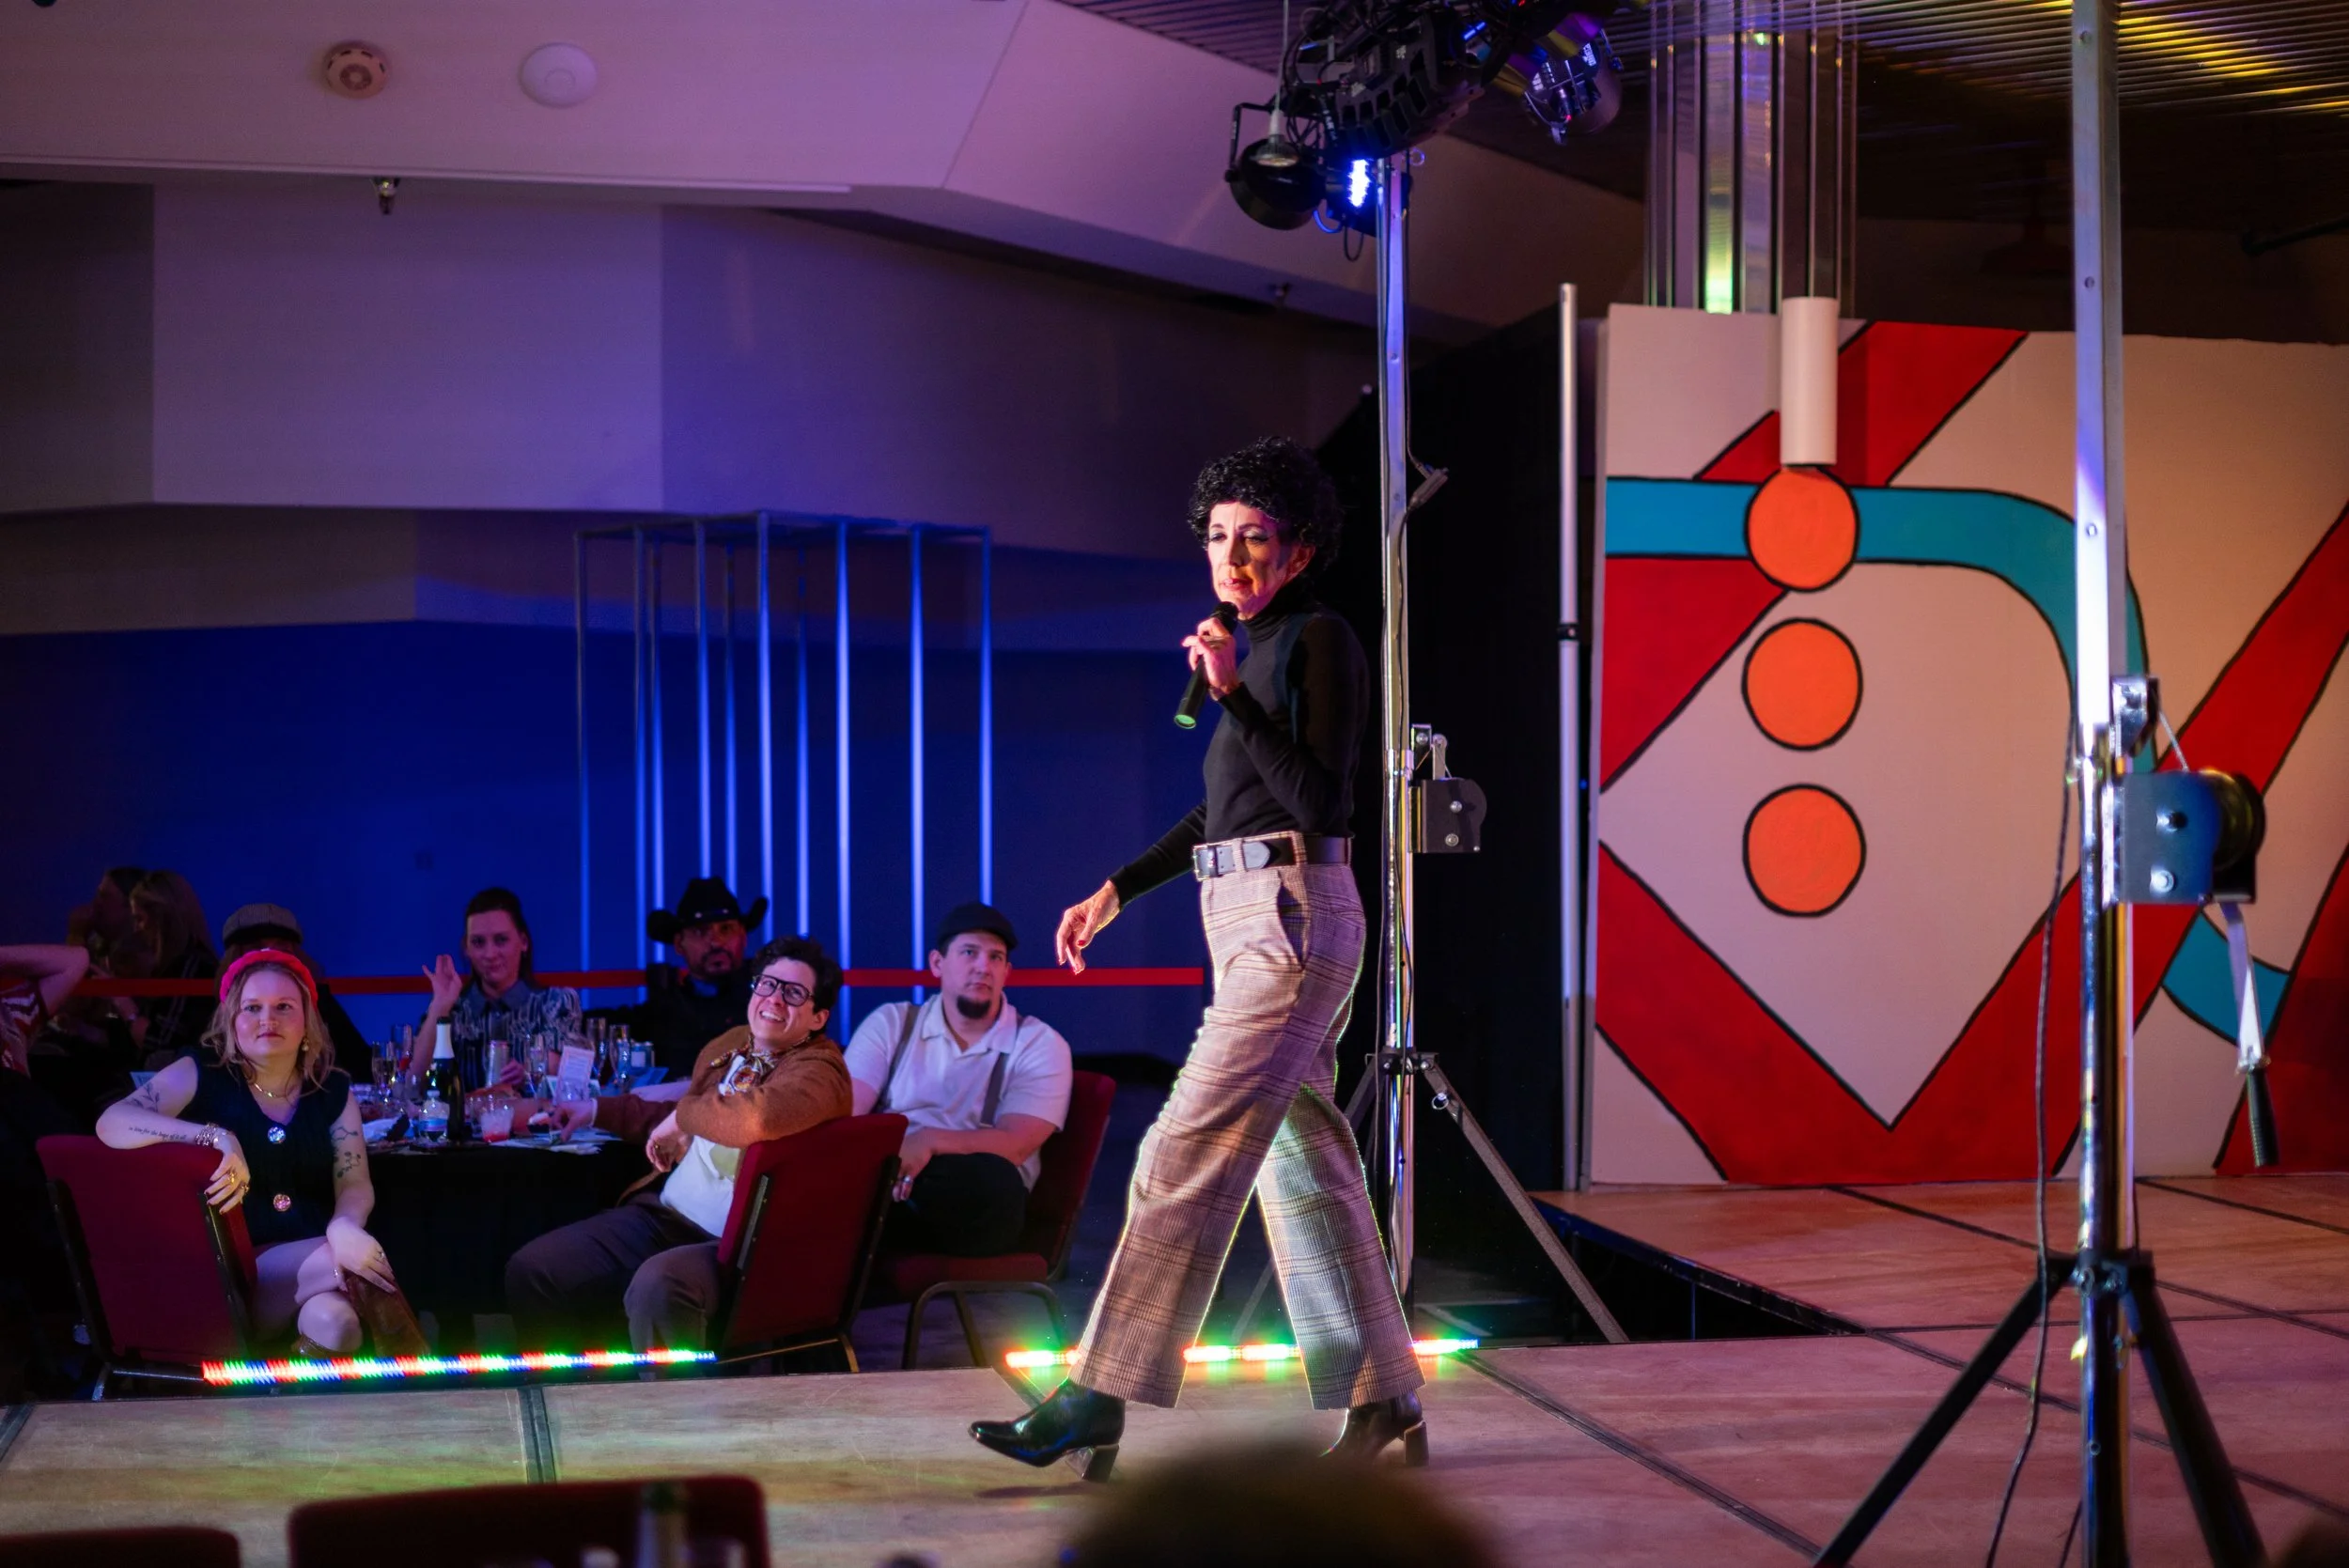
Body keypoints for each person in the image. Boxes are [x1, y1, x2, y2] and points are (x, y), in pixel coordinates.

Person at [971, 437, 1422, 1478]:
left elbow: (1321, 804)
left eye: (1256, 538)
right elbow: (1222, 808)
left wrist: (1230, 694)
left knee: (1177, 1152)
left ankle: (1099, 1392)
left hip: (1295, 917)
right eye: (1219, 537)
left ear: (1298, 551)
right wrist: (1117, 888)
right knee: (1307, 1173)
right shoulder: (1240, 649)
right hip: (1244, 913)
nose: (1233, 557)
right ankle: (1383, 1398)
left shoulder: (1318, 640)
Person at [504, 935, 851, 1354]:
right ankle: (575, 1398)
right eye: (767, 984)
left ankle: (671, 1417)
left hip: (740, 1247)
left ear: (818, 1017)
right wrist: (594, 1109)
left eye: (794, 993)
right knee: (534, 1269)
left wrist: (683, 1114)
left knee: (659, 1283)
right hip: (665, 1218)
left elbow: (754, 1117)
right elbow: (684, 1115)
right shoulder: (733, 1045)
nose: (775, 1000)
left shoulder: (821, 1072)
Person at [93, 949, 428, 1358]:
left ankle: (284, 1404)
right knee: (355, 1260)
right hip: (228, 1272)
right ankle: (416, 1375)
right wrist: (213, 1136)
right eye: (252, 1008)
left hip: (313, 1266)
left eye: (283, 1007)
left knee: (337, 1326)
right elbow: (111, 1122)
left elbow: (354, 1181)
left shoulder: (332, 1091)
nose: (267, 1019)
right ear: (232, 1022)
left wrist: (344, 1227)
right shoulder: (202, 1073)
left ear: (307, 1022)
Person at [845, 902, 1071, 1256]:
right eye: (969, 952)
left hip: (971, 1193)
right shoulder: (892, 1023)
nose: (983, 967)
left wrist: (928, 1141)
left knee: (995, 1183)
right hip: (891, 1168)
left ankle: (869, 1236)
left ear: (1007, 971)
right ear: (937, 963)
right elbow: (848, 1113)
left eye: (996, 958)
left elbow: (1016, 1144)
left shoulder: (1039, 1043)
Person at [410, 887, 577, 1090]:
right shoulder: (454, 1009)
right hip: (463, 1121)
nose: (490, 954)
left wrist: (529, 1070)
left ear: (523, 942)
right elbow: (414, 1082)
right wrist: (440, 1005)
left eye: (501, 940)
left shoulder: (554, 1002)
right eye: (478, 942)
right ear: (467, 949)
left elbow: (564, 1065)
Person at [625, 877, 765, 1078]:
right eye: (700, 931)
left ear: (742, 936)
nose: (716, 942)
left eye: (725, 929)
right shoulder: (663, 1011)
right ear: (680, 944)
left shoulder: (769, 1001)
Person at [220, 904, 371, 1079]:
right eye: (256, 950)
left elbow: (362, 1066)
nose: (270, 958)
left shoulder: (318, 1001)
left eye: (281, 950)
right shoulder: (212, 1009)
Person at [127, 870, 217, 1064]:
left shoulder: (191, 969)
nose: (136, 929)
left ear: (160, 920)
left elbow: (162, 1044)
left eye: (139, 919)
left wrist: (125, 1008)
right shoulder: (173, 966)